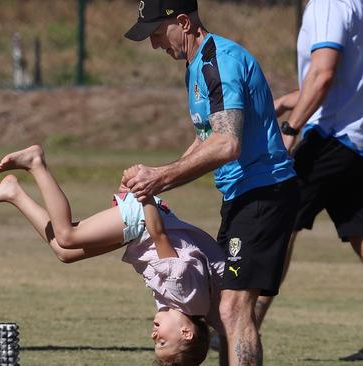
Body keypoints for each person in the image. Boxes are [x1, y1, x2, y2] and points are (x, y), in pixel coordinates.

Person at [122, 0, 299, 364]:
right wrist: (153, 184)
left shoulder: (220, 61)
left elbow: (227, 143)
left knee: (234, 308)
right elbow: (207, 137)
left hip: (265, 192)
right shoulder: (196, 67)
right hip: (241, 196)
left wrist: (159, 176)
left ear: (183, 22)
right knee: (223, 309)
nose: (155, 45)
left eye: (157, 33)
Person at [0, 145, 228, 365]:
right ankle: (35, 162)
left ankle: (13, 192)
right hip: (145, 220)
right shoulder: (182, 292)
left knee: (64, 252)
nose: (154, 337)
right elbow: (160, 236)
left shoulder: (188, 306)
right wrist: (144, 191)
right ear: (186, 333)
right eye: (162, 343)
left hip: (142, 228)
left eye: (155, 344)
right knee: (67, 236)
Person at [253, 0, 363, 361]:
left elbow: (323, 75)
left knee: (278, 221)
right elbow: (343, 80)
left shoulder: (329, 3)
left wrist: (290, 128)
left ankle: (243, 324)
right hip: (353, 137)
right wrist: (286, 100)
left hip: (332, 136)